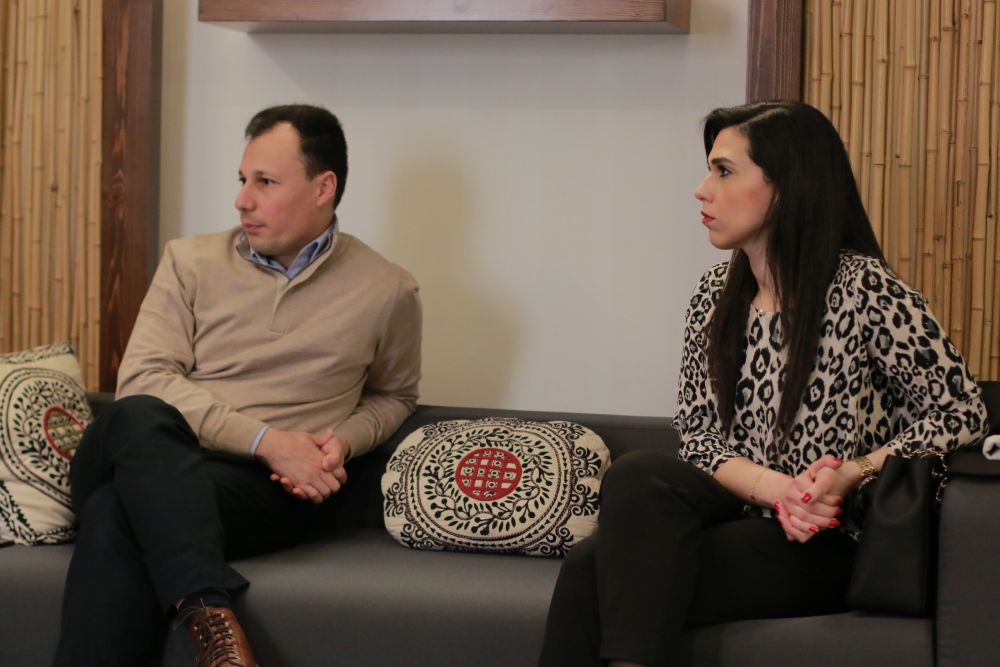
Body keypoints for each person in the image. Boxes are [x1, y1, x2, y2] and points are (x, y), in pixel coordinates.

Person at [537, 100, 989, 667]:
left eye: (724, 171)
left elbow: (962, 411)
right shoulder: (714, 294)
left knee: (593, 571)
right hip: (747, 510)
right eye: (709, 170)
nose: (702, 190)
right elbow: (699, 437)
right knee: (637, 474)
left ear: (786, 186)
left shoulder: (863, 289)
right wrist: (780, 491)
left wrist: (850, 472)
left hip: (830, 539)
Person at [54, 104, 422, 666]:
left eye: (265, 182)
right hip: (153, 450)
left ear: (323, 188)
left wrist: (339, 444)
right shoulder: (189, 261)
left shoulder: (387, 290)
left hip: (258, 491)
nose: (241, 199)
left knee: (115, 513)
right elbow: (144, 378)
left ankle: (208, 624)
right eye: (242, 179)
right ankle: (209, 609)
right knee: (139, 413)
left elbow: (394, 395)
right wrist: (267, 440)